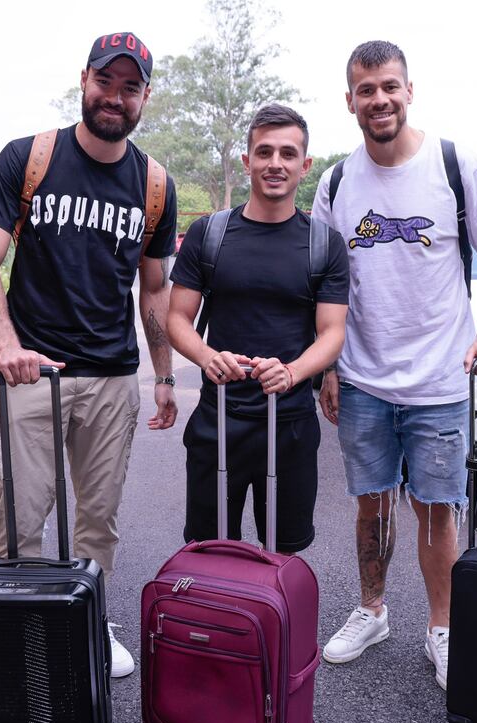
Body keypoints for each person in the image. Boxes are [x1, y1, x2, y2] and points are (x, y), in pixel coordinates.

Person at [0, 31, 178, 678]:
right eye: (105, 82)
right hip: (31, 373)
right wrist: (7, 347)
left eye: (130, 86)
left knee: (98, 519)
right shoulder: (28, 158)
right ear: (83, 80)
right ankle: (23, 637)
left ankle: (87, 621)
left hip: (112, 379)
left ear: (143, 96)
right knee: (23, 519)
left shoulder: (154, 184)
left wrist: (162, 374)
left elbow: (155, 290)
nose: (115, 97)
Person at [311, 40, 477, 690]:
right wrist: (327, 365)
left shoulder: (456, 166)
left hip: (439, 384)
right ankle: (372, 611)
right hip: (363, 380)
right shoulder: (337, 183)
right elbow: (322, 283)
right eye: (366, 90)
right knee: (371, 505)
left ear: (409, 90)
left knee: (436, 511)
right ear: (350, 101)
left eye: (389, 86)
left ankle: (442, 631)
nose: (379, 99)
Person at [167, 104, 349, 554]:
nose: (275, 164)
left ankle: (274, 626)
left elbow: (332, 332)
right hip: (219, 419)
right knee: (210, 551)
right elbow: (176, 318)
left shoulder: (323, 244)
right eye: (264, 152)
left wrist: (292, 372)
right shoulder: (208, 234)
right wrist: (208, 357)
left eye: (288, 154)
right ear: (246, 161)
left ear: (304, 166)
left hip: (288, 424)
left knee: (282, 553)